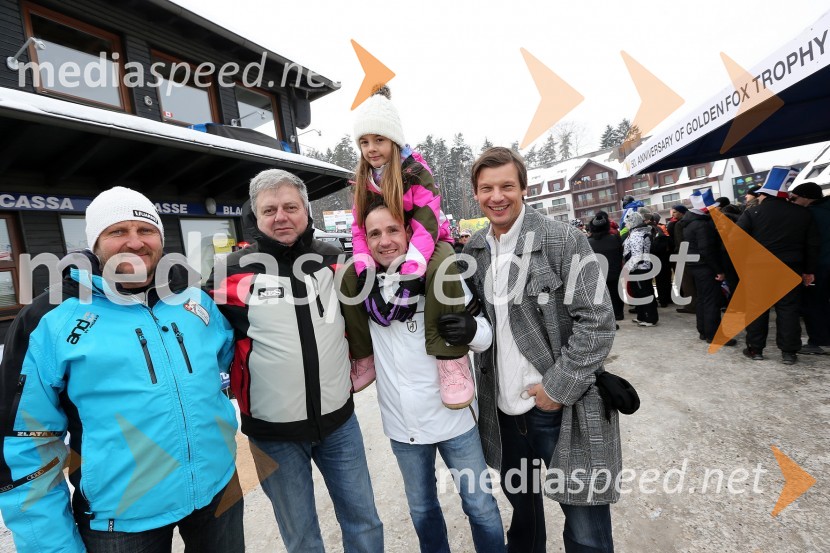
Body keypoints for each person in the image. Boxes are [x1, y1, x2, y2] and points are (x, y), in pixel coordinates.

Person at [0, 187, 242, 553]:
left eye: (146, 230)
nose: (135, 242)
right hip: (121, 521)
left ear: (160, 239)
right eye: (117, 232)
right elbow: (24, 445)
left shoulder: (195, 300)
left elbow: (223, 365)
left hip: (218, 490)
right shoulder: (49, 321)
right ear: (95, 243)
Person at [207, 170, 384, 552]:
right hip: (274, 434)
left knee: (364, 521)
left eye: (290, 207)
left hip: (339, 424)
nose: (281, 216)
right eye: (270, 209)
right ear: (255, 215)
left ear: (306, 210)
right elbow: (203, 339)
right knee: (302, 538)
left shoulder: (334, 260)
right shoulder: (229, 272)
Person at [462, 147, 620, 553]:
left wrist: (557, 388)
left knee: (584, 522)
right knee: (525, 517)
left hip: (556, 406)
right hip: (504, 409)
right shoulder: (474, 250)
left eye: (506, 186)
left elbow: (598, 321)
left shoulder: (562, 239)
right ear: (476, 195)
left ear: (524, 188)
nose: (497, 197)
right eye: (486, 188)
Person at [360, 202, 506, 552]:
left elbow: (485, 335)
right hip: (403, 427)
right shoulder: (363, 291)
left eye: (393, 230)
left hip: (455, 420)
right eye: (374, 234)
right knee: (423, 509)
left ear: (409, 234)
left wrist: (470, 329)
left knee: (480, 507)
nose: (385, 241)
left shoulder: (442, 277)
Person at [344, 85, 473, 409]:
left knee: (443, 264)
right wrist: (364, 273)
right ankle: (364, 356)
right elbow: (360, 231)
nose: (371, 149)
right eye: (364, 142)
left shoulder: (415, 172)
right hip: (387, 241)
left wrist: (413, 273)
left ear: (393, 139)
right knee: (345, 276)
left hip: (425, 239)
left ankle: (450, 359)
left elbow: (426, 225)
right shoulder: (363, 179)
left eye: (378, 140)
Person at [737, 172, 820, 364]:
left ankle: (755, 349)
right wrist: (809, 270)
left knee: (757, 309)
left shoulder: (752, 213)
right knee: (789, 309)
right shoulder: (803, 213)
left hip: (758, 269)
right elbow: (812, 245)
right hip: (791, 267)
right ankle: (789, 353)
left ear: (766, 194)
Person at [677, 189, 737, 346]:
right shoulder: (703, 225)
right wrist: (718, 270)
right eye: (714, 206)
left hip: (697, 265)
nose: (717, 209)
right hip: (706, 266)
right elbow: (707, 250)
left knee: (703, 299)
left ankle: (704, 330)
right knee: (712, 301)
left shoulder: (690, 222)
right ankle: (714, 334)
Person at [788, 182, 830, 354]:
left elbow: (809, 244)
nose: (792, 201)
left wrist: (807, 269)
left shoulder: (809, 215)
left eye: (794, 198)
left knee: (814, 304)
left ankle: (820, 342)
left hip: (818, 266)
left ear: (805, 197)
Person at [623, 210, 659, 327]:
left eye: (627, 222)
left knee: (643, 293)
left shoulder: (636, 235)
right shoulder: (639, 233)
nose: (626, 225)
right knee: (639, 292)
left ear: (633, 222)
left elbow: (637, 255)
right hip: (641, 267)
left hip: (639, 268)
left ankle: (650, 318)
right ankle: (642, 315)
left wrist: (629, 268)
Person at [588, 213, 625, 321]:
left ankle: (605, 316)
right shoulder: (614, 238)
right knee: (616, 294)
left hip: (598, 274)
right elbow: (620, 254)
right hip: (615, 272)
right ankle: (618, 314)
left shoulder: (588, 242)